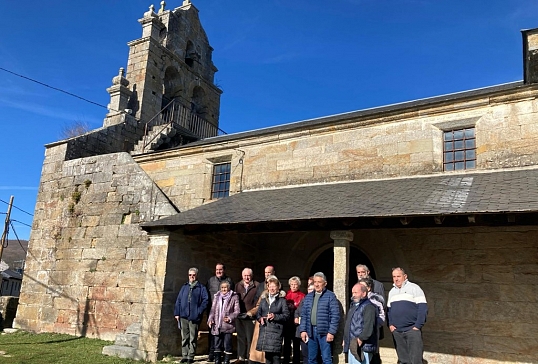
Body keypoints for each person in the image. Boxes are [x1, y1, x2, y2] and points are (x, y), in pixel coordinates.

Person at [387, 267, 427, 364]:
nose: (396, 279)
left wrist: (417, 326)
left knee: (415, 360)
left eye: (398, 276)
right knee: (403, 360)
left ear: (405, 276)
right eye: (394, 276)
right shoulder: (392, 292)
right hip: (397, 332)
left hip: (412, 331)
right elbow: (389, 311)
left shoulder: (414, 288)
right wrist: (391, 325)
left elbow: (423, 308)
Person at [299, 272, 340, 364]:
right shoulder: (309, 297)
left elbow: (335, 315)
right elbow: (304, 315)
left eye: (319, 282)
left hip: (325, 332)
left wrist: (331, 332)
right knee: (311, 358)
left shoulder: (330, 296)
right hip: (311, 332)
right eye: (315, 282)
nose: (316, 284)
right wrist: (303, 330)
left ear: (325, 283)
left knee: (326, 359)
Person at [174, 267, 209, 364]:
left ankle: (191, 356)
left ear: (196, 275)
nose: (191, 277)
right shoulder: (184, 287)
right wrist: (177, 313)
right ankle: (184, 355)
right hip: (183, 316)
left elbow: (205, 301)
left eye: (193, 275)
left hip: (194, 316)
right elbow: (179, 300)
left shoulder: (201, 288)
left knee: (193, 338)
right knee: (184, 337)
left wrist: (199, 311)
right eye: (190, 275)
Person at [256, 276, 290, 364]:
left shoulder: (282, 301)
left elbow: (286, 316)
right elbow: (258, 313)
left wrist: (275, 316)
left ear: (278, 287)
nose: (272, 288)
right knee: (267, 357)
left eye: (274, 286)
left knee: (275, 357)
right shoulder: (264, 300)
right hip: (265, 330)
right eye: (270, 286)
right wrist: (260, 318)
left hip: (276, 331)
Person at [343, 284, 378, 364]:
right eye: (353, 293)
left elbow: (369, 327)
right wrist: (346, 339)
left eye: (356, 292)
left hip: (362, 345)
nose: (353, 295)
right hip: (352, 344)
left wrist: (360, 339)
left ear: (364, 293)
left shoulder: (369, 307)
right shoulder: (354, 306)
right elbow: (349, 325)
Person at [207, 263, 235, 362]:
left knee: (225, 338)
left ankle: (224, 356)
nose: (218, 271)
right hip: (214, 312)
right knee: (213, 336)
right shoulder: (211, 280)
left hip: (225, 314)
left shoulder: (229, 281)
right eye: (217, 269)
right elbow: (208, 294)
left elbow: (232, 297)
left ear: (224, 270)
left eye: (220, 269)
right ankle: (212, 355)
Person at [208, 281, 240, 364]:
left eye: (225, 287)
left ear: (229, 288)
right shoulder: (217, 296)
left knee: (227, 344)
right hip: (216, 324)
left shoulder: (234, 297)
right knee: (217, 344)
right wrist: (210, 319)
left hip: (227, 325)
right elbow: (213, 310)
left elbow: (237, 311)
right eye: (222, 287)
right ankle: (217, 360)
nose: (224, 289)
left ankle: (226, 360)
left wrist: (230, 318)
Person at [235, 268, 260, 364]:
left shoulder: (256, 285)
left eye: (248, 275)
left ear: (251, 276)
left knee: (250, 338)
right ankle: (241, 357)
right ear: (242, 276)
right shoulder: (238, 285)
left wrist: (252, 312)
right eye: (245, 275)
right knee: (240, 337)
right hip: (239, 315)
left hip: (250, 316)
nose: (247, 277)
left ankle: (250, 358)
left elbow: (258, 301)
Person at [283, 276, 306, 364]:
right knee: (287, 344)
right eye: (292, 284)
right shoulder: (286, 295)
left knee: (296, 344)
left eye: (295, 284)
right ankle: (286, 360)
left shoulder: (302, 296)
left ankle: (296, 361)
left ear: (299, 285)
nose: (293, 286)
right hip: (287, 323)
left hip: (297, 323)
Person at [295, 282, 314, 364]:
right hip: (302, 330)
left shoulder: (318, 300)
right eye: (309, 289)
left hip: (313, 331)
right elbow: (297, 311)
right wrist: (296, 317)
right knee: (305, 354)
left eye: (312, 289)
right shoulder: (304, 300)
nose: (310, 291)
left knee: (313, 355)